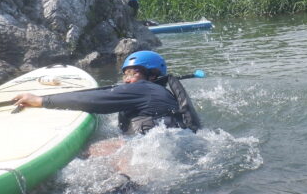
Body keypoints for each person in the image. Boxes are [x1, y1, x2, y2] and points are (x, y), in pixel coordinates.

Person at [12, 51, 200, 155]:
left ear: (152, 75)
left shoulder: (143, 88)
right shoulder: (162, 92)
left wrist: (40, 100)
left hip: (148, 150)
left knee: (86, 153)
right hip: (169, 147)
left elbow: (92, 100)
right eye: (125, 73)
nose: (126, 79)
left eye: (133, 73)